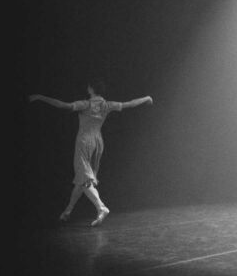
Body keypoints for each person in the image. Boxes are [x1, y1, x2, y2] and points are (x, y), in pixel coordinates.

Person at [29, 81, 153, 226]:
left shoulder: (85, 104)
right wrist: (146, 98)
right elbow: (130, 103)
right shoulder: (107, 105)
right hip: (97, 142)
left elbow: (63, 105)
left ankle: (101, 207)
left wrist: (40, 97)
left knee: (85, 179)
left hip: (83, 142)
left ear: (91, 89)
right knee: (81, 180)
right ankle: (67, 211)